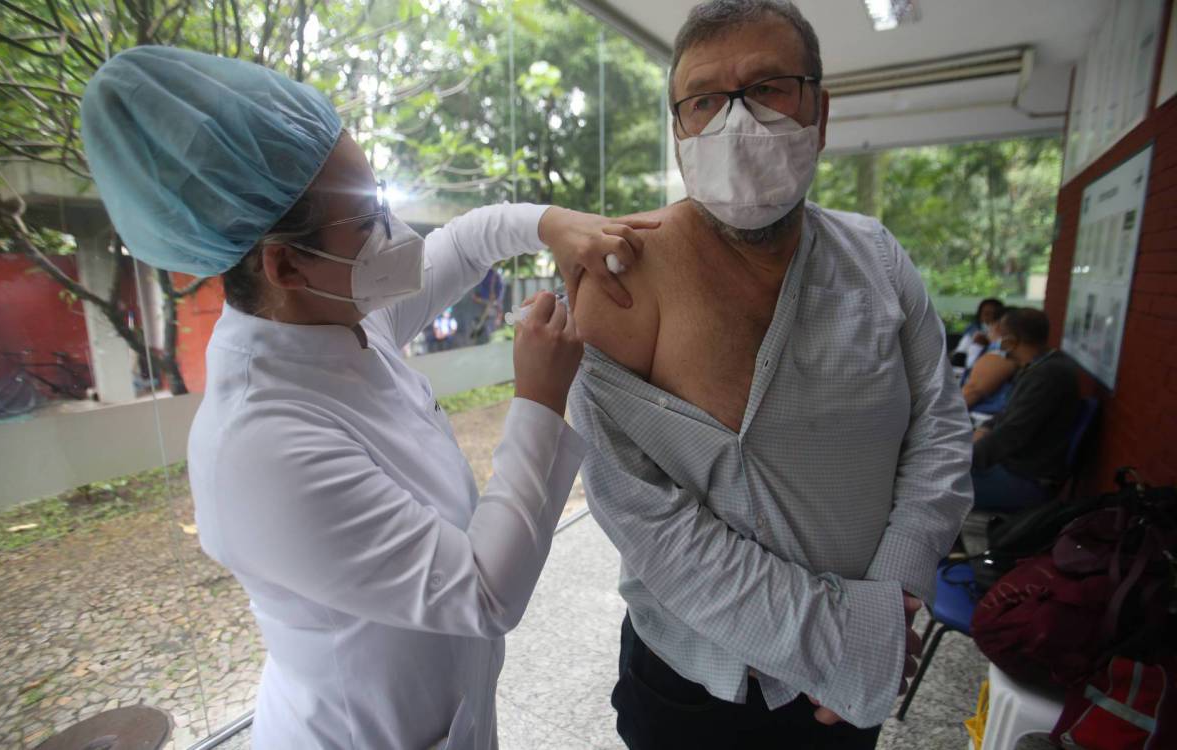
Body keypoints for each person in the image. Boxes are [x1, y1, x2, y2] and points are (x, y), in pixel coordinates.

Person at [80, 46, 657, 750]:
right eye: (365, 219)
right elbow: (483, 592)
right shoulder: (256, 447)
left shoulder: (335, 317)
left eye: (380, 201)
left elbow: (468, 241)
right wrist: (537, 397)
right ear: (285, 263)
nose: (395, 235)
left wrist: (551, 224)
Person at [565, 2, 973, 748]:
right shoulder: (626, 281)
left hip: (846, 685)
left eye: (768, 87)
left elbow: (940, 428)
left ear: (819, 111)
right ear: (680, 132)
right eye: (705, 101)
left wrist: (893, 597)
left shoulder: (876, 259)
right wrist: (840, 643)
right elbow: (644, 519)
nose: (737, 121)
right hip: (696, 686)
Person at [972, 308, 1080, 512]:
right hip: (1016, 468)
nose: (996, 344)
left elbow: (1011, 434)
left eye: (999, 337)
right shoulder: (1041, 366)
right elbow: (1009, 415)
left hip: (1025, 480)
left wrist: (959, 460)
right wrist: (985, 428)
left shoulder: (1047, 376)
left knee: (925, 490)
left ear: (1011, 341)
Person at [962, 307, 1017, 416]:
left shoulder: (999, 354)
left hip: (981, 420)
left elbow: (971, 393)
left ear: (997, 326)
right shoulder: (998, 351)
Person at [952, 297, 1005, 369]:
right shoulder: (973, 329)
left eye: (994, 314)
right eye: (986, 313)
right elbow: (959, 358)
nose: (990, 317)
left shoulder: (1003, 335)